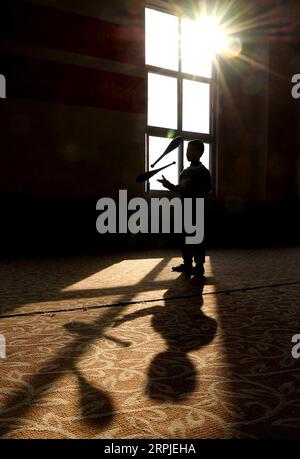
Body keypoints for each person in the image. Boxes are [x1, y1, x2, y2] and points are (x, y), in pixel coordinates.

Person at [157, 140, 212, 277]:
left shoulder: (204, 172)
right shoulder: (185, 172)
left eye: (191, 150)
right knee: (185, 238)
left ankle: (199, 266)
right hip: (185, 209)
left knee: (197, 239)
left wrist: (191, 190)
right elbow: (180, 189)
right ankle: (187, 263)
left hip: (197, 209)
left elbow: (207, 189)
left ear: (199, 153)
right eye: (187, 150)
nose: (187, 153)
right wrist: (168, 185)